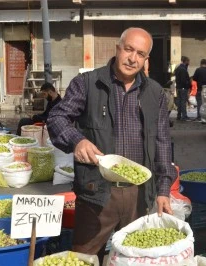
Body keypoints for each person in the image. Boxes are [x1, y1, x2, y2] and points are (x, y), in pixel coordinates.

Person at [47, 27, 176, 264]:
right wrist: (77, 140)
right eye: (128, 49)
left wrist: (163, 189)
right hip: (97, 192)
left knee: (134, 257)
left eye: (140, 53)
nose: (132, 58)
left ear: (146, 59)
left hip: (140, 194)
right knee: (84, 257)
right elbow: (57, 118)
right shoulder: (88, 83)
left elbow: (162, 142)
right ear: (118, 48)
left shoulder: (155, 92)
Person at [174, 56, 191, 121]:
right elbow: (184, 80)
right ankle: (184, 116)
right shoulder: (183, 69)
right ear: (186, 61)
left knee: (179, 102)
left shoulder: (178, 68)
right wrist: (188, 84)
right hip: (183, 88)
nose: (189, 63)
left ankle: (178, 115)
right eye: (188, 61)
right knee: (183, 102)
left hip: (178, 87)